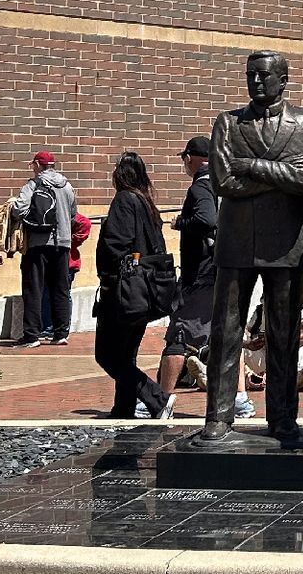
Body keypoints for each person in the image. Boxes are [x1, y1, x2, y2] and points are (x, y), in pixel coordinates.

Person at [198, 51, 303, 447]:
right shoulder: (227, 123)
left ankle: (283, 417)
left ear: (283, 80)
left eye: (263, 75)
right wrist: (281, 177)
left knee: (285, 334)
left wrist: (252, 167)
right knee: (225, 333)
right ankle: (219, 417)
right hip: (237, 242)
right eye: (250, 75)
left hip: (286, 245)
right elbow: (222, 181)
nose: (255, 82)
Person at [152, 137, 255, 419]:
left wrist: (180, 222)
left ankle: (161, 401)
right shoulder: (228, 183)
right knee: (228, 334)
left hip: (203, 274)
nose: (184, 162)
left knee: (179, 336)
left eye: (185, 157)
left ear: (194, 158)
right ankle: (241, 399)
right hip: (229, 269)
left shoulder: (201, 183)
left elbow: (207, 220)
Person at [93, 152, 174, 420]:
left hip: (123, 291)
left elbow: (117, 243)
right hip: (144, 291)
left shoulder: (124, 200)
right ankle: (123, 409)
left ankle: (158, 398)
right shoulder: (146, 202)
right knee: (126, 354)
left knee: (106, 355)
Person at [11, 150, 78, 348]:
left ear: (38, 166)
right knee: (61, 289)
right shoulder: (67, 186)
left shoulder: (33, 185)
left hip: (38, 243)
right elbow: (74, 214)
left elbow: (19, 209)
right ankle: (61, 333)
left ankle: (32, 335)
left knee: (34, 288)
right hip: (63, 243)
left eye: (33, 165)